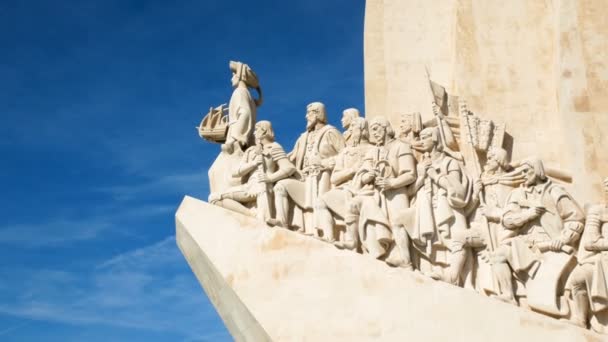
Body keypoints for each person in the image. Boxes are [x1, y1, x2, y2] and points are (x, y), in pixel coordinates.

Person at [501, 158, 584, 315]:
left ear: (538, 170)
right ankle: (508, 295)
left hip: (549, 243)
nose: (522, 175)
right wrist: (527, 215)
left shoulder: (555, 191)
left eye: (526, 171)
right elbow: (507, 220)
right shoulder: (517, 194)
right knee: (499, 255)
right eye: (521, 171)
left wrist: (562, 239)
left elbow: (576, 219)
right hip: (524, 244)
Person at [338, 117, 417, 268]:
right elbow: (363, 174)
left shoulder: (401, 147)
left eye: (376, 128)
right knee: (356, 206)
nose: (373, 133)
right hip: (377, 193)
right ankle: (358, 244)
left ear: (386, 128)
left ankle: (406, 260)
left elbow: (410, 174)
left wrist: (391, 183)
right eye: (372, 129)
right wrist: (368, 176)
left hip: (396, 191)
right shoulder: (374, 151)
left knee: (398, 222)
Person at [404, 126, 474, 284]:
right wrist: (421, 178)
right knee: (438, 243)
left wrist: (435, 176)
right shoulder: (422, 164)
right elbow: (411, 192)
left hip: (450, 205)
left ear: (434, 138)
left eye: (425, 137)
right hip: (427, 206)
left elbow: (457, 189)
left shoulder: (450, 162)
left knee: (458, 240)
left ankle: (466, 281)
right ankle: (437, 270)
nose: (421, 141)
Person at [268, 102, 345, 233]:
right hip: (304, 180)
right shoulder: (303, 137)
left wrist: (325, 163)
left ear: (318, 114)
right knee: (281, 186)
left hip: (323, 179)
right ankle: (282, 222)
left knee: (320, 204)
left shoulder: (331, 132)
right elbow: (290, 158)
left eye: (309, 113)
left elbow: (345, 155)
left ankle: (324, 233)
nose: (306, 116)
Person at [209, 121, 295, 221]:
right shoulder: (251, 150)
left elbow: (289, 168)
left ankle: (260, 216)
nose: (254, 133)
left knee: (264, 220)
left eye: (256, 130)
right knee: (214, 198)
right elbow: (236, 172)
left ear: (263, 131)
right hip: (249, 186)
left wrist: (270, 178)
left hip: (264, 186)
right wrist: (253, 163)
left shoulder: (274, 147)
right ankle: (251, 214)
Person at [315, 117, 371, 242]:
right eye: (350, 128)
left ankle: (353, 241)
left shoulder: (373, 149)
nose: (350, 130)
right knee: (320, 202)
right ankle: (329, 238)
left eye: (353, 127)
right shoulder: (345, 152)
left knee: (352, 206)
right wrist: (352, 170)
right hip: (345, 189)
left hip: (364, 190)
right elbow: (334, 179)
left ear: (362, 129)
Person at [565, 177, 608, 330]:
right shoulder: (599, 212)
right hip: (601, 261)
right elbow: (590, 243)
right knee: (578, 277)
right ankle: (581, 319)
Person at [222, 61, 263, 154]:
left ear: (239, 76)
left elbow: (245, 112)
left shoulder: (240, 92)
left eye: (233, 76)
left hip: (235, 138)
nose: (231, 79)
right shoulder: (248, 94)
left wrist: (237, 134)